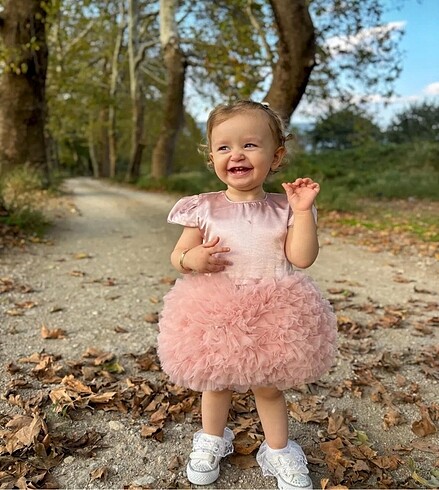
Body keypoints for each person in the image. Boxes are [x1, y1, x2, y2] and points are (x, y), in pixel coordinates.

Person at [158, 100, 337, 489]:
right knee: (216, 382)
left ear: (276, 156)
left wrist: (303, 212)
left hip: (272, 311)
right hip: (216, 310)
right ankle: (211, 438)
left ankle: (278, 449)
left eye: (250, 145)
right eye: (224, 147)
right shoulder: (203, 208)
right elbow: (178, 256)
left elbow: (301, 258)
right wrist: (192, 258)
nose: (236, 154)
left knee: (268, 387)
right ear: (212, 158)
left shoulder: (284, 208)